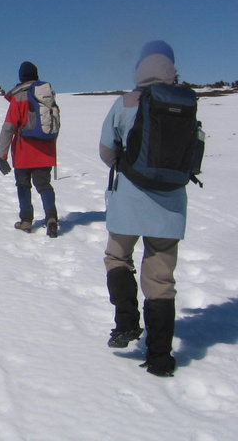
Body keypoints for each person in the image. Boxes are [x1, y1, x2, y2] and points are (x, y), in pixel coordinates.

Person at [99, 40, 185, 377]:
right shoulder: (187, 104)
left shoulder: (124, 103)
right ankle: (161, 358)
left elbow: (107, 152)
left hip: (129, 202)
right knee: (161, 279)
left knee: (117, 257)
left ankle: (126, 323)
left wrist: (127, 162)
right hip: (171, 206)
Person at [0, 61, 59, 237]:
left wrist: (2, 155)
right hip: (46, 151)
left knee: (23, 186)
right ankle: (51, 218)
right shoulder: (47, 95)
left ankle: (25, 221)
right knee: (44, 185)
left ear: (21, 77)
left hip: (24, 151)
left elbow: (9, 127)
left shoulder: (19, 97)